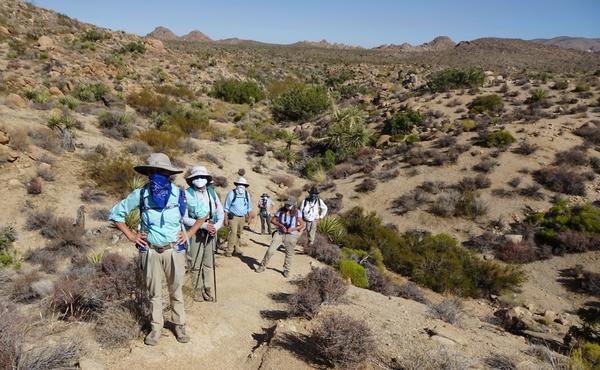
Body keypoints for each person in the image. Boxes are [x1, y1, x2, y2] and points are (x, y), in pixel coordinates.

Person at [109, 153, 207, 346]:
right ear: (148, 173)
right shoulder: (141, 194)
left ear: (168, 173)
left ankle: (179, 325)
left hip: (174, 250)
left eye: (160, 171)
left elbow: (202, 214)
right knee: (154, 292)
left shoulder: (180, 193)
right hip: (151, 251)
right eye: (153, 171)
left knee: (176, 289)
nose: (156, 175)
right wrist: (131, 236)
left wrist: (188, 234)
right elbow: (115, 214)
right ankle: (156, 328)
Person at [183, 166, 224, 302]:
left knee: (208, 262)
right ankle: (197, 289)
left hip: (211, 231)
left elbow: (220, 213)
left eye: (202, 177)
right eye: (196, 177)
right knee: (195, 262)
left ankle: (207, 288)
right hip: (196, 232)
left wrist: (215, 227)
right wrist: (204, 225)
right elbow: (184, 218)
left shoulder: (212, 193)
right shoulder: (187, 194)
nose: (200, 180)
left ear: (207, 179)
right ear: (192, 180)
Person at [256, 196, 305, 278]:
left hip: (291, 235)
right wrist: (280, 225)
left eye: (290, 205)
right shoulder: (281, 210)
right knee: (270, 250)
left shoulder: (297, 212)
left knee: (289, 253)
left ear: (294, 205)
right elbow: (273, 220)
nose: (287, 206)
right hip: (280, 233)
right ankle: (262, 266)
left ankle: (286, 269)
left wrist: (294, 229)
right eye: (287, 204)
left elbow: (302, 225)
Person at [223, 177, 252, 257]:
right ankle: (229, 251)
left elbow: (249, 206)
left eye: (243, 185)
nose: (241, 186)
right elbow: (226, 208)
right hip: (233, 217)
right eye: (240, 184)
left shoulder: (246, 194)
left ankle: (236, 248)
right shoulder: (231, 193)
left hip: (242, 217)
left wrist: (249, 217)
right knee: (233, 233)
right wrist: (225, 219)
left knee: (239, 233)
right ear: (237, 185)